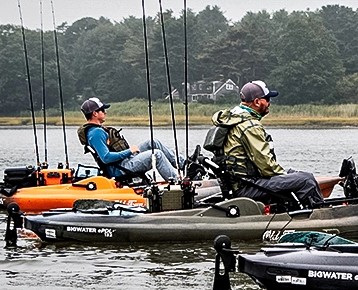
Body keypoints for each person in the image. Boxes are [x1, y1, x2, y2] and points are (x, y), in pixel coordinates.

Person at [209, 80, 325, 208]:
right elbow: (266, 165)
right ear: (257, 102)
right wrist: (288, 178)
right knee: (306, 180)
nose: (269, 103)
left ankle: (297, 209)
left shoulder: (232, 119)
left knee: (294, 173)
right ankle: (320, 215)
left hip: (241, 183)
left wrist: (289, 176)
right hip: (247, 187)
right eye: (267, 99)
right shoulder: (249, 125)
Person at [77, 97, 181, 182]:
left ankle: (186, 165)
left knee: (153, 142)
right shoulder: (95, 133)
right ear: (95, 113)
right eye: (102, 110)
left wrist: (129, 153)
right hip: (120, 168)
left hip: (125, 160)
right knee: (156, 154)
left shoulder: (97, 130)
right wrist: (129, 151)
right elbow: (106, 158)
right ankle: (177, 182)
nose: (105, 112)